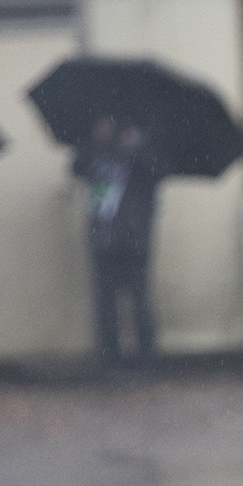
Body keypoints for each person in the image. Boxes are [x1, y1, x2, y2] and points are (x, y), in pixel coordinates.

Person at [74, 116, 165, 360]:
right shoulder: (97, 147)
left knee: (139, 297)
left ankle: (146, 354)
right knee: (105, 300)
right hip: (102, 235)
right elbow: (77, 168)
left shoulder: (144, 145)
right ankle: (109, 354)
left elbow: (156, 173)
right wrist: (97, 141)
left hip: (135, 236)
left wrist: (135, 147)